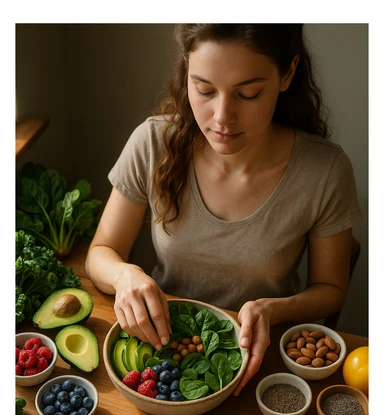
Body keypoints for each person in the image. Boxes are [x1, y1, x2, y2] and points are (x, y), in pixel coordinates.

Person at [85, 24, 363, 395]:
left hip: (260, 366)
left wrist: (271, 309)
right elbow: (101, 252)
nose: (221, 118)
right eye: (204, 90)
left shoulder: (325, 170)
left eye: (248, 94)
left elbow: (331, 288)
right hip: (161, 350)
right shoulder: (153, 142)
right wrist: (124, 276)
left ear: (288, 73)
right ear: (187, 71)